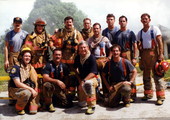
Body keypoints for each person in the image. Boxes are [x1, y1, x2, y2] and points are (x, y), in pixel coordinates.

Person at [51, 16, 83, 99]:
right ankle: (63, 94)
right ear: (64, 23)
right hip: (62, 61)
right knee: (63, 77)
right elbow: (51, 40)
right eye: (67, 22)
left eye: (70, 22)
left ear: (72, 23)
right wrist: (54, 49)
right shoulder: (60, 32)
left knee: (74, 77)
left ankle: (72, 95)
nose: (69, 24)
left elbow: (82, 45)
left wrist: (74, 47)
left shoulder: (77, 33)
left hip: (73, 61)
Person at [137, 13, 165, 105]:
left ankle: (160, 97)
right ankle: (148, 94)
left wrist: (160, 54)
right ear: (141, 21)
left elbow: (160, 42)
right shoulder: (140, 33)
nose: (144, 20)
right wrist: (140, 58)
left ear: (149, 20)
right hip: (145, 54)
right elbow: (138, 45)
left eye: (146, 18)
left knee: (157, 75)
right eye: (143, 19)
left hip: (154, 54)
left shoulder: (154, 29)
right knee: (146, 76)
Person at [113, 15, 138, 101]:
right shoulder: (116, 34)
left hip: (128, 53)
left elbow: (135, 46)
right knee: (122, 73)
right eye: (121, 21)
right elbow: (114, 46)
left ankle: (133, 95)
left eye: (124, 21)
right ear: (119, 22)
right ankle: (124, 95)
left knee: (131, 73)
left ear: (126, 22)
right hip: (119, 54)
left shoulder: (131, 32)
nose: (122, 22)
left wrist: (134, 57)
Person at [8, 47, 39, 115]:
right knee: (26, 93)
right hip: (15, 90)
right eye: (26, 56)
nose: (28, 58)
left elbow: (35, 80)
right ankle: (19, 108)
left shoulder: (30, 67)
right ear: (21, 57)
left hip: (27, 88)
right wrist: (31, 89)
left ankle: (28, 104)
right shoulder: (16, 68)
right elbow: (17, 84)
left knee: (33, 111)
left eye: (29, 56)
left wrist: (35, 89)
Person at [88, 23, 112, 100]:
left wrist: (109, 57)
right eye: (94, 28)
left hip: (103, 60)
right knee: (94, 78)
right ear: (92, 29)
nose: (96, 30)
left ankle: (106, 94)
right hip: (93, 60)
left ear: (100, 29)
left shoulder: (105, 39)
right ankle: (96, 95)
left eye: (97, 28)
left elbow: (111, 48)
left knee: (104, 77)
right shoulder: (90, 40)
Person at [73, 41, 98, 114]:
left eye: (84, 47)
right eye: (81, 48)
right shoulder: (78, 58)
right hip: (82, 80)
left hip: (92, 78)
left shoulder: (91, 58)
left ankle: (91, 106)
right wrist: (79, 79)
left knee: (88, 84)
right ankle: (96, 96)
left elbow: (93, 72)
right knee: (82, 104)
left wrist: (83, 81)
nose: (83, 49)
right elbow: (74, 69)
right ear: (78, 49)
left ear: (88, 48)